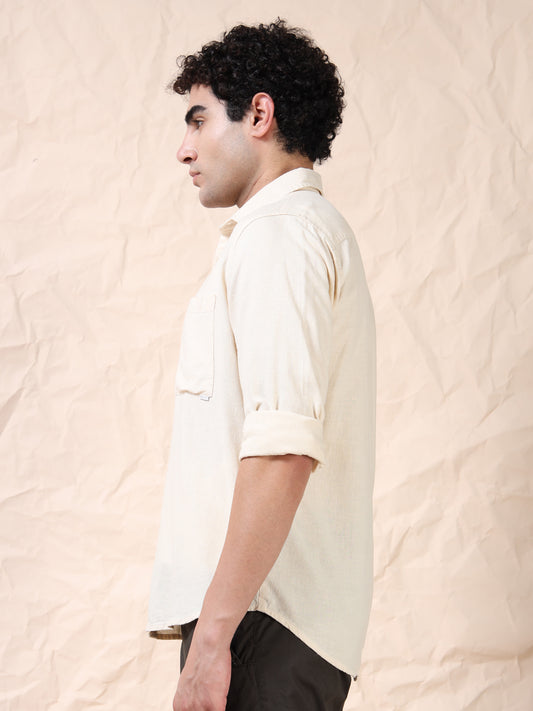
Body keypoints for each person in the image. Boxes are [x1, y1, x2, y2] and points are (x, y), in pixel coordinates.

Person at [147, 19, 376, 711]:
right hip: (262, 623)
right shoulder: (292, 232)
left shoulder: (280, 236)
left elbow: (282, 450)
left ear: (258, 113)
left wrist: (213, 641)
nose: (184, 149)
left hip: (260, 625)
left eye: (198, 120)